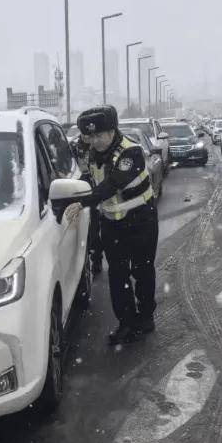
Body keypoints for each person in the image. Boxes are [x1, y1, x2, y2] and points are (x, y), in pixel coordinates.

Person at [71, 105, 159, 345]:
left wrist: (82, 202)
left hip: (141, 220)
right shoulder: (90, 152)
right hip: (111, 223)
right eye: (91, 136)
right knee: (118, 275)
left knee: (142, 270)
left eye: (100, 135)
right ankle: (126, 323)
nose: (96, 141)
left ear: (112, 131)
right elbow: (87, 176)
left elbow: (112, 184)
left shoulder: (131, 153)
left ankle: (146, 316)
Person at [70, 117, 104, 275]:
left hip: (95, 193)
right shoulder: (73, 148)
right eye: (84, 133)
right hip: (77, 192)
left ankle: (97, 260)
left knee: (95, 230)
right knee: (83, 232)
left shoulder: (98, 146)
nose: (87, 136)